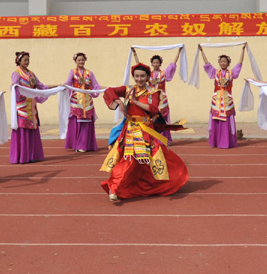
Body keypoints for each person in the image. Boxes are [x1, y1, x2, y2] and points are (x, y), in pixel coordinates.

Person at [100, 63, 189, 202]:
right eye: (137, 76)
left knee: (152, 159)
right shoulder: (128, 89)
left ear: (148, 77)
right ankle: (115, 187)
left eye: (142, 76)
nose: (139, 79)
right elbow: (109, 91)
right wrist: (120, 103)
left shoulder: (154, 91)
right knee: (128, 159)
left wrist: (135, 101)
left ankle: (140, 185)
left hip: (145, 130)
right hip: (129, 130)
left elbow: (153, 109)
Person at [10, 51, 59, 163]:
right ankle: (23, 156)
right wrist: (16, 89)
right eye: (25, 60)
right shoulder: (16, 73)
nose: (27, 62)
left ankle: (31, 155)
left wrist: (56, 86)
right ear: (19, 61)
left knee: (32, 130)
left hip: (31, 106)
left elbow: (41, 86)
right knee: (24, 130)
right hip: (22, 107)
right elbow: (15, 88)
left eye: (28, 60)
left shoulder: (31, 74)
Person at [199, 44, 246, 149]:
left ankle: (226, 142)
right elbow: (207, 64)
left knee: (227, 120)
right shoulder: (215, 72)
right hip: (216, 100)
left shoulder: (231, 73)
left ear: (228, 63)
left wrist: (243, 50)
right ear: (219, 63)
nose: (223, 63)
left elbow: (239, 63)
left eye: (225, 61)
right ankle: (216, 141)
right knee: (216, 120)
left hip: (227, 100)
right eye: (221, 61)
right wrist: (202, 51)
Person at [131, 47, 182, 142]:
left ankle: (163, 139)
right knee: (151, 116)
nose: (155, 64)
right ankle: (151, 138)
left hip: (162, 98)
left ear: (160, 64)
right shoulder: (148, 74)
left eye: (157, 63)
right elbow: (139, 66)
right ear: (152, 64)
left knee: (162, 116)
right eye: (154, 63)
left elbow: (173, 65)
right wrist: (135, 54)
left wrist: (178, 52)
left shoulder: (163, 73)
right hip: (150, 97)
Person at [64, 52, 104, 152]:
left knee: (86, 123)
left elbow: (95, 85)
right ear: (75, 61)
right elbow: (68, 82)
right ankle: (76, 144)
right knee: (76, 122)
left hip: (87, 101)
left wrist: (101, 89)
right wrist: (63, 86)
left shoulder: (89, 73)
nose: (81, 62)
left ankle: (85, 145)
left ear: (85, 60)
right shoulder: (72, 72)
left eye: (82, 60)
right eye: (79, 60)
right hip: (76, 101)